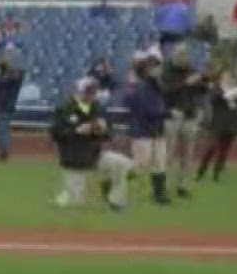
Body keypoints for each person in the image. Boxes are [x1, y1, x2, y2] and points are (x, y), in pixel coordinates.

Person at [50, 77, 133, 210]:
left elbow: (107, 133)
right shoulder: (65, 108)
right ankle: (64, 196)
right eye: (88, 91)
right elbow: (55, 133)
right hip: (74, 159)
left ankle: (114, 199)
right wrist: (77, 131)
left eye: (93, 92)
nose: (91, 95)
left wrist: (103, 130)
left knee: (125, 165)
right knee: (76, 203)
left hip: (94, 155)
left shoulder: (97, 107)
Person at [124, 53, 173, 205]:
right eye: (155, 67)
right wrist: (167, 113)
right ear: (147, 69)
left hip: (156, 129)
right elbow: (147, 110)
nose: (159, 71)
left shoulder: (156, 86)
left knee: (160, 161)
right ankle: (113, 179)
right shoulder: (142, 87)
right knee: (141, 163)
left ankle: (159, 194)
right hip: (143, 129)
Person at [162, 48, 207, 198]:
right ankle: (164, 186)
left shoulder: (191, 70)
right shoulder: (167, 71)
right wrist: (186, 83)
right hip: (173, 114)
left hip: (190, 114)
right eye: (181, 57)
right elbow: (165, 90)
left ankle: (182, 186)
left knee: (188, 153)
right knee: (169, 152)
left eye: (186, 57)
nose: (184, 60)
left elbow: (202, 90)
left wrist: (203, 82)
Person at [195, 76, 237, 182]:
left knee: (224, 151)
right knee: (212, 149)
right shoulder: (217, 92)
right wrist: (228, 95)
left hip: (232, 125)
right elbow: (214, 100)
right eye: (226, 81)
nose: (229, 83)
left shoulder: (235, 95)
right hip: (218, 125)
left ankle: (216, 175)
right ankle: (201, 172)